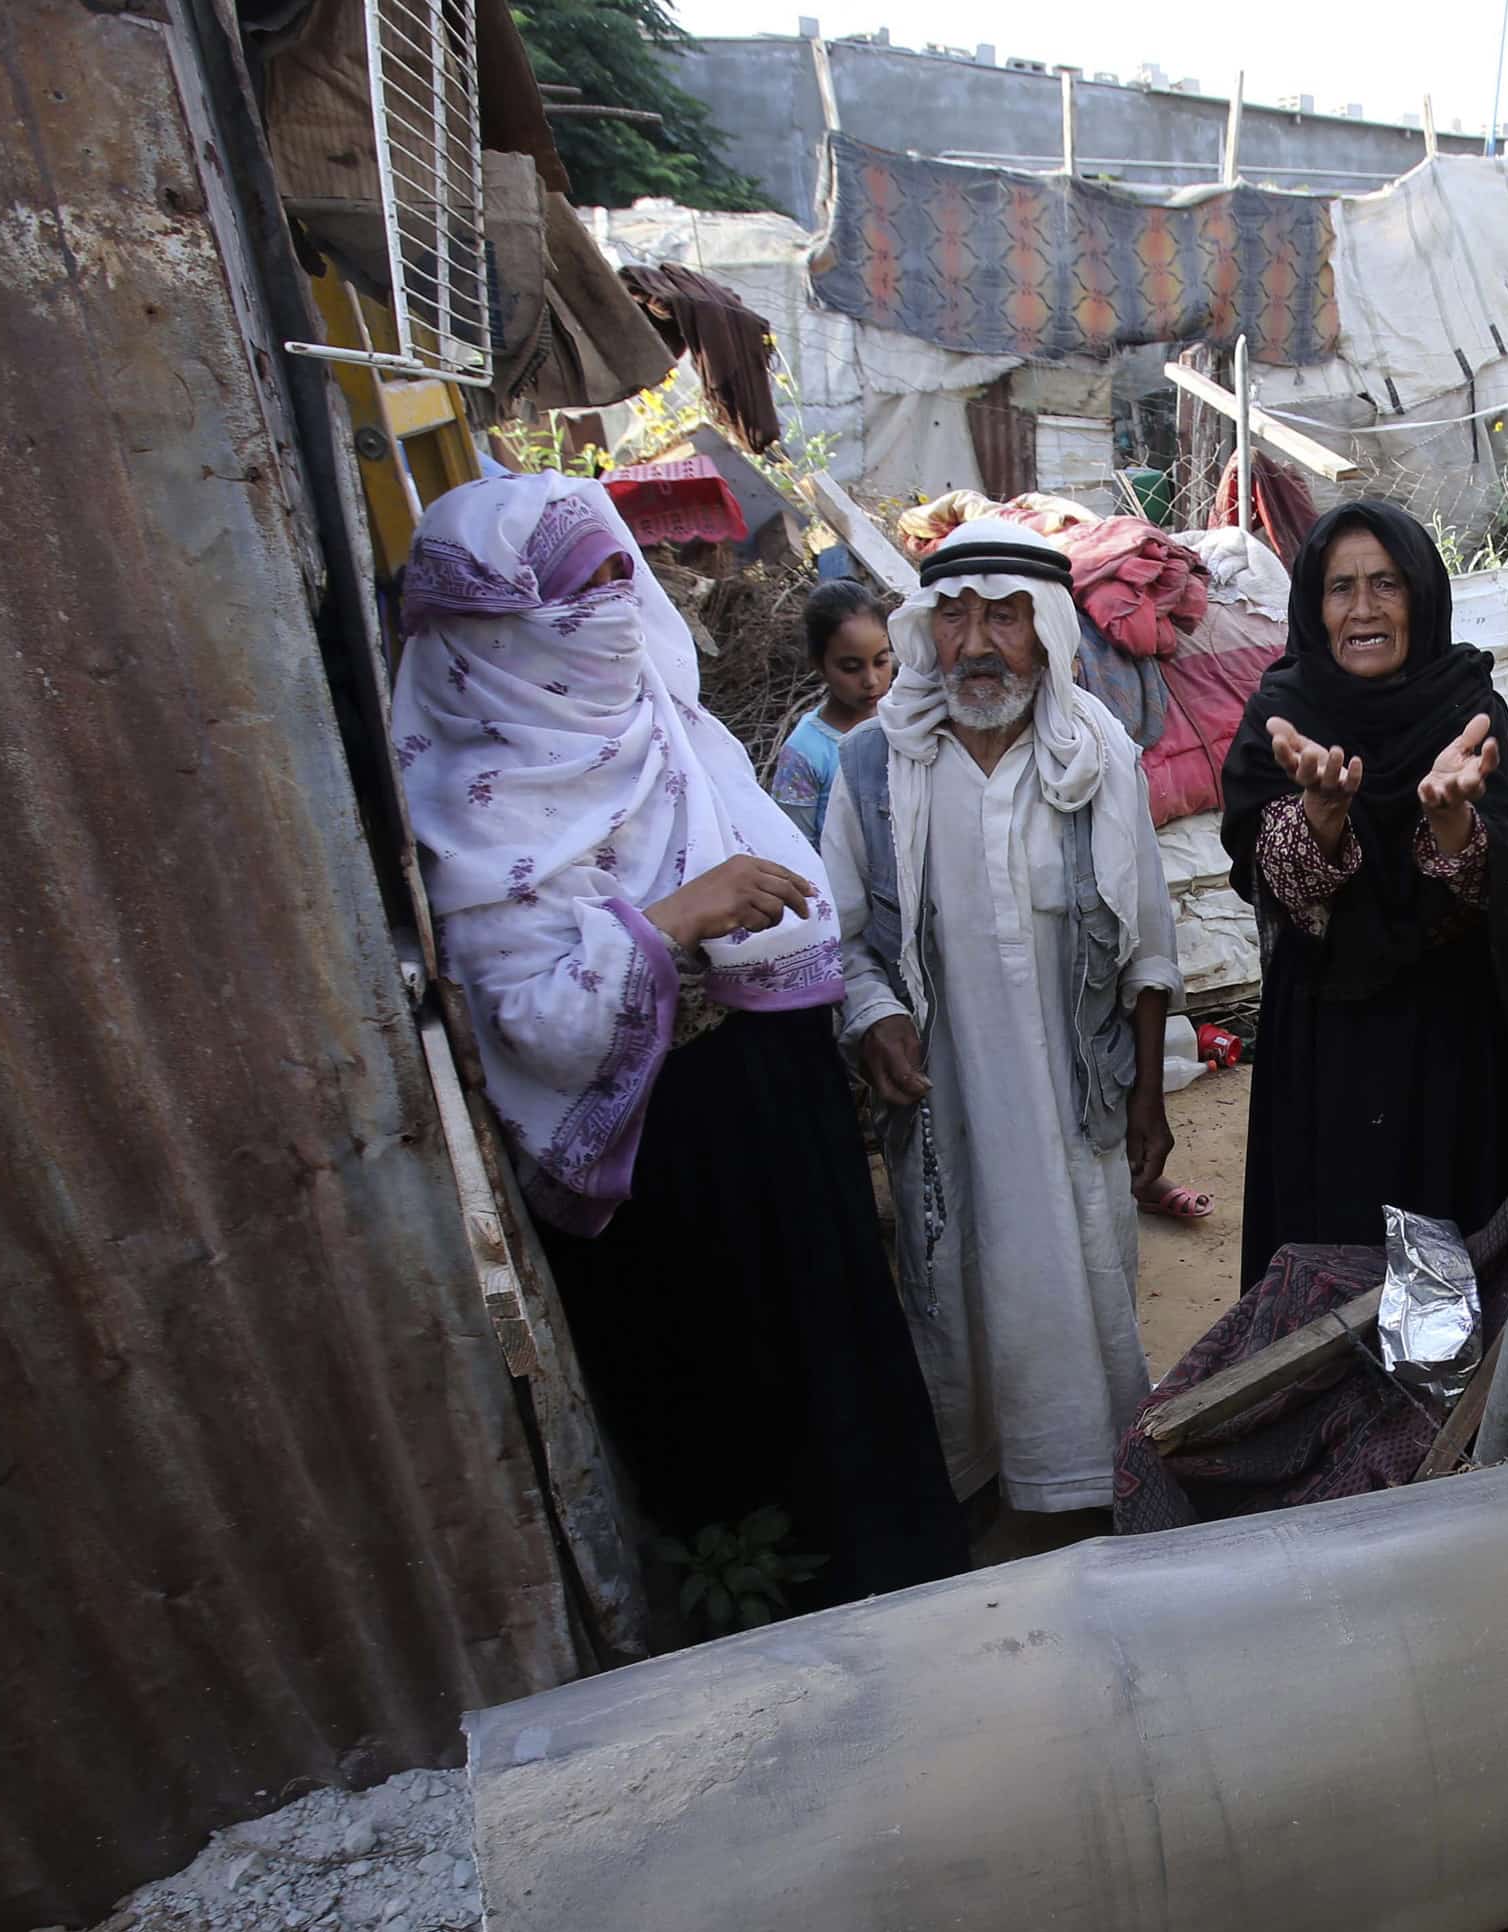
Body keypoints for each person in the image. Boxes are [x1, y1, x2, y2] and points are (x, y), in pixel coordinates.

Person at [393, 474, 966, 1608]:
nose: (611, 614)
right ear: (491, 627)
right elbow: (532, 1028)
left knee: (846, 1379)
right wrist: (673, 920)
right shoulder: (475, 802)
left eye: (620, 580)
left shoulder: (667, 726)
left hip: (782, 1126)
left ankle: (915, 1594)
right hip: (666, 1176)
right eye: (574, 595)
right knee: (738, 1424)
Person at [816, 517, 1184, 1520]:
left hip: (1073, 1098)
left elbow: (1147, 945)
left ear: (1048, 632)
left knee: (1087, 1288)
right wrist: (876, 1013)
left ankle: (1085, 1477)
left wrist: (1148, 1095)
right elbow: (838, 942)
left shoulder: (1093, 753)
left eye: (1006, 617)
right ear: (926, 630)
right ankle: (978, 1478)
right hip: (948, 1107)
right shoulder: (869, 769)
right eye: (956, 616)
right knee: (955, 1289)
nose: (977, 643)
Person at [1221, 500, 1508, 1289]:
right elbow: (1274, 883)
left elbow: (1491, 886)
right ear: (1314, 604)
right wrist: (1322, 816)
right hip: (1326, 1043)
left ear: (1423, 596)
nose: (1364, 609)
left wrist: (1449, 822)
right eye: (1341, 588)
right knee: (1333, 1247)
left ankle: (1446, 1411)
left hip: (1450, 1037)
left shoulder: (1469, 706)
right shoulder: (1281, 715)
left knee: (1447, 1249)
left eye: (1386, 584)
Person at [764, 578, 894, 844]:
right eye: (851, 667)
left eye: (881, 661)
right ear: (819, 665)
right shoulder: (805, 752)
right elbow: (794, 847)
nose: (871, 680)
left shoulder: (903, 719)